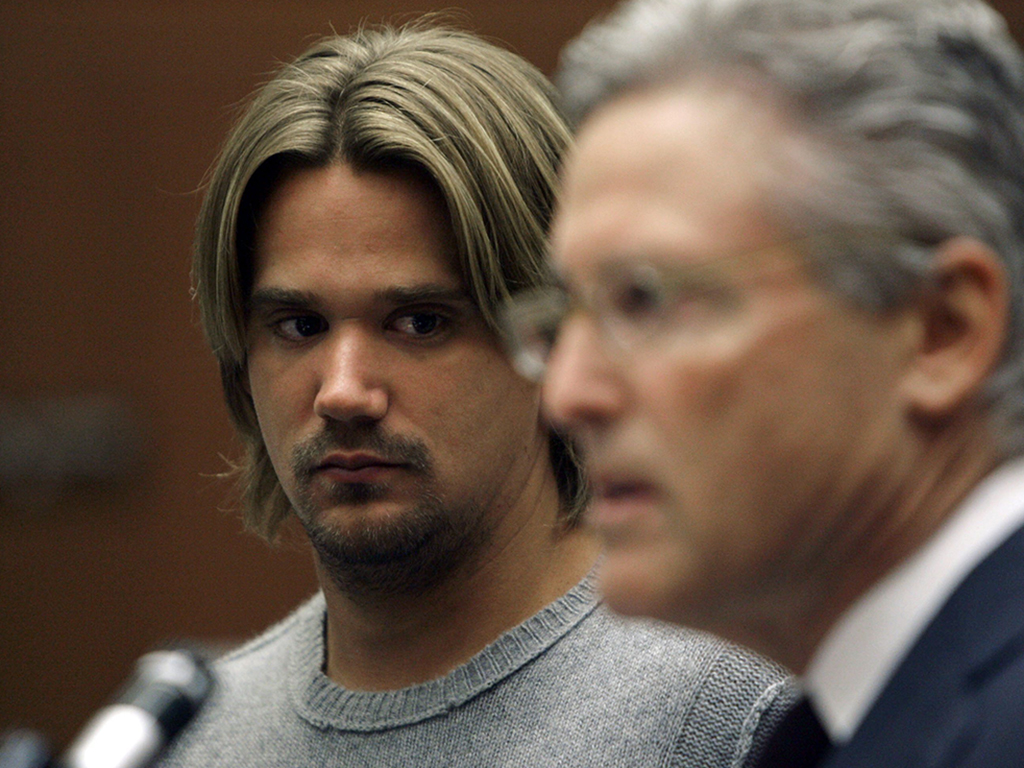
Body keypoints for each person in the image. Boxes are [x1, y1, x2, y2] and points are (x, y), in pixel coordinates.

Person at [158, 22, 794, 767]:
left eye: (420, 322)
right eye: (299, 325)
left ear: (553, 338)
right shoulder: (195, 738)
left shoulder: (735, 714)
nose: (344, 391)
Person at [502, 0, 1024, 765]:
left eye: (645, 299)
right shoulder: (821, 734)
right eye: (566, 318)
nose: (568, 395)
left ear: (940, 328)